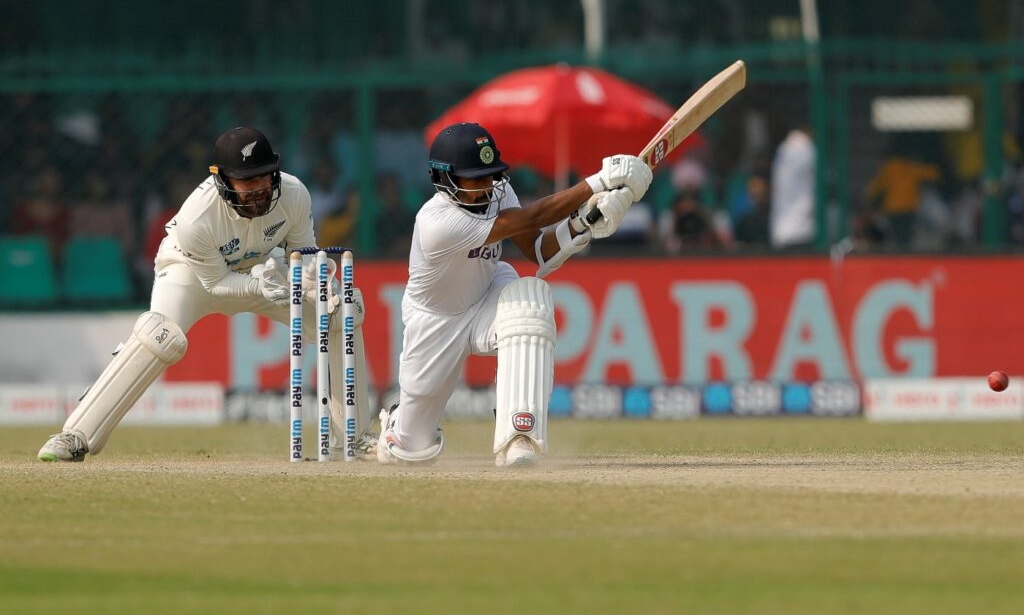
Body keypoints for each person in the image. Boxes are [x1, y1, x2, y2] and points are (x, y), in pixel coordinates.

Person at [38, 127, 376, 462]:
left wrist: (315, 281)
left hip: (265, 270)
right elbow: (216, 285)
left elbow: (302, 253)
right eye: (247, 181)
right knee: (160, 335)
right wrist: (262, 285)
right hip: (193, 274)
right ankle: (76, 433)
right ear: (223, 180)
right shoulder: (196, 219)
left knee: (337, 313)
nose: (258, 189)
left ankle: (353, 436)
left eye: (263, 177)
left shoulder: (294, 194)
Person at [376, 122, 651, 468]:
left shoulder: (498, 193)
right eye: (475, 179)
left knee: (529, 303)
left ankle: (519, 437)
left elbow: (540, 252)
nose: (487, 187)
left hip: (488, 292)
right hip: (436, 320)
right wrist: (598, 182)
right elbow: (531, 217)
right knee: (410, 451)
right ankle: (398, 426)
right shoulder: (436, 222)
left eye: (490, 176)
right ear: (444, 179)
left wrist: (585, 222)